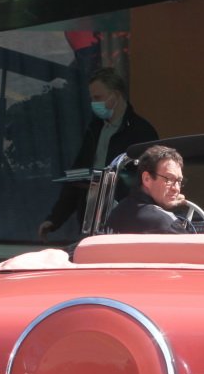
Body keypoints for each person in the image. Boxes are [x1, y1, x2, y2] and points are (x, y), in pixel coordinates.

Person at [38, 67, 157, 243]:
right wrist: (55, 219)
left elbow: (149, 182)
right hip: (91, 220)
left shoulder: (142, 132)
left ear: (115, 95)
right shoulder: (95, 129)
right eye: (92, 98)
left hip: (125, 222)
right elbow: (77, 175)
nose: (94, 103)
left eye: (98, 97)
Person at [106, 145, 204, 239]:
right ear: (147, 179)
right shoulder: (165, 223)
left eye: (179, 181)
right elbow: (198, 253)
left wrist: (167, 206)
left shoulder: (117, 212)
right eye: (169, 179)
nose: (176, 188)